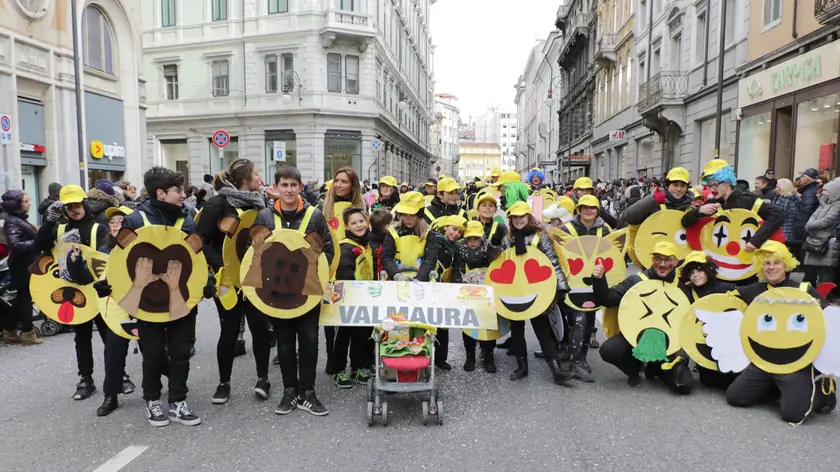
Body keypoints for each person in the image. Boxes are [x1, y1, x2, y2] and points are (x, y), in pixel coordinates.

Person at [119, 167, 206, 427]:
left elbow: (195, 256)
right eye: (178, 191)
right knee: (153, 355)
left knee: (180, 353)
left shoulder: (186, 218)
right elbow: (120, 260)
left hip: (181, 298)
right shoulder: (135, 221)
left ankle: (178, 402)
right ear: (161, 193)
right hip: (147, 303)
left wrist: (207, 281)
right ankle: (153, 401)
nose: (183, 195)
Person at [254, 165, 334, 417]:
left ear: (300, 187)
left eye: (293, 185)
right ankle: (290, 390)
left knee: (310, 340)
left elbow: (328, 252)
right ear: (276, 188)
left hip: (308, 291)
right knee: (285, 344)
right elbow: (254, 257)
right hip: (277, 294)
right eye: (283, 185)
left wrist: (316, 273)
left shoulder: (315, 216)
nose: (288, 190)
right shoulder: (264, 217)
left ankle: (307, 391)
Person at [726, 241, 836, 423]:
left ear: (786, 264)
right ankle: (777, 388)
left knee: (792, 415)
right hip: (764, 359)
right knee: (735, 397)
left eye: (776, 262)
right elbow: (727, 295)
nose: (771, 267)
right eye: (766, 263)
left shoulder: (804, 290)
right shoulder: (756, 291)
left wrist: (818, 309)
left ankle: (820, 391)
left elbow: (828, 321)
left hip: (795, 361)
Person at [195, 159, 273, 406]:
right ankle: (223, 382)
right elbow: (198, 241)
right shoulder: (218, 203)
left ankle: (263, 379)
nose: (259, 178)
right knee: (229, 331)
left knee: (260, 329)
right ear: (244, 179)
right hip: (227, 280)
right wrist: (221, 264)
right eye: (256, 174)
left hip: (255, 278)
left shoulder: (261, 204)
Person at [35, 185, 110, 400]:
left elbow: (107, 258)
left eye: (77, 204)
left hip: (97, 289)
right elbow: (39, 244)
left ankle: (118, 375)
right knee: (82, 337)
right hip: (73, 291)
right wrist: (50, 220)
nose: (74, 209)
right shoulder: (60, 229)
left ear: (84, 203)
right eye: (69, 206)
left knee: (108, 336)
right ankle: (86, 379)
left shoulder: (98, 228)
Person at [594, 241, 695, 394]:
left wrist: (681, 356)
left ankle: (655, 367)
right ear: (652, 260)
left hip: (668, 345)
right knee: (609, 350)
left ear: (675, 262)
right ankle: (635, 370)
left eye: (667, 260)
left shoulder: (681, 287)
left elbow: (689, 324)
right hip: (635, 337)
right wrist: (599, 279)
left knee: (684, 386)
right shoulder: (636, 280)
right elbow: (607, 299)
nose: (662, 264)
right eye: (658, 259)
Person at [504, 202, 574, 385]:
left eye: (522, 216)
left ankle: (556, 369)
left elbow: (553, 262)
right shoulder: (507, 238)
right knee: (517, 331)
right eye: (515, 217)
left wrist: (560, 288)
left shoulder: (540, 236)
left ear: (529, 217)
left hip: (537, 290)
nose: (519, 220)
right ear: (511, 219)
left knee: (543, 330)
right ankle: (521, 366)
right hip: (514, 290)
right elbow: (497, 261)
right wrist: (495, 243)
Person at [83, 205, 136, 417]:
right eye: (112, 222)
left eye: (120, 222)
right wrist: (76, 264)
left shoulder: (142, 247)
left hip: (143, 306)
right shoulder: (104, 252)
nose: (115, 226)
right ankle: (110, 396)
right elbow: (89, 278)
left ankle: (170, 388)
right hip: (116, 311)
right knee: (113, 352)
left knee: (155, 354)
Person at [681, 160, 784, 253]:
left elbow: (778, 215)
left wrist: (756, 240)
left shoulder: (747, 199)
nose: (712, 190)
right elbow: (685, 222)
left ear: (728, 181)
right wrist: (699, 210)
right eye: (709, 186)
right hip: (720, 261)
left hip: (746, 260)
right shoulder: (712, 203)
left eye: (715, 185)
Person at [320, 167, 366, 374]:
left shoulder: (362, 208)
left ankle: (359, 362)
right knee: (332, 318)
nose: (338, 184)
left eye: (344, 181)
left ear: (353, 185)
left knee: (356, 318)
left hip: (354, 267)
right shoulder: (323, 207)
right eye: (336, 180)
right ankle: (334, 363)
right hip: (330, 267)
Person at [328, 207, 374, 388]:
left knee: (361, 335)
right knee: (343, 336)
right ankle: (338, 369)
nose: (359, 225)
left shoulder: (368, 244)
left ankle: (358, 366)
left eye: (361, 221)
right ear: (346, 226)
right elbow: (344, 275)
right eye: (354, 223)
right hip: (349, 298)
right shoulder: (346, 247)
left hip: (366, 298)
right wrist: (351, 295)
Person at [678, 251, 736, 389]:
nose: (695, 275)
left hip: (725, 341)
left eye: (699, 270)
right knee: (708, 381)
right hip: (701, 341)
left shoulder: (724, 288)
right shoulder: (686, 291)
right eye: (691, 272)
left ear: (708, 269)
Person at [415, 215, 466, 370]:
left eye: (460, 232)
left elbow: (457, 268)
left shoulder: (455, 247)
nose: (456, 234)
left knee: (443, 324)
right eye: (454, 229)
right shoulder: (432, 240)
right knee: (423, 322)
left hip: (443, 288)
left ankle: (440, 358)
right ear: (446, 227)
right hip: (426, 285)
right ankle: (419, 356)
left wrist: (457, 285)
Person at [456, 220, 503, 373]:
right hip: (466, 295)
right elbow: (454, 270)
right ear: (465, 239)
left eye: (476, 238)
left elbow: (495, 253)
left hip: (486, 295)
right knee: (468, 326)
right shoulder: (459, 251)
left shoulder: (488, 251)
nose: (473, 241)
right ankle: (470, 357)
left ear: (481, 238)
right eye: (470, 238)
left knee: (488, 324)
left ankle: (489, 356)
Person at [1, 190, 43, 345]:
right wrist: (37, 243)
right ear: (17, 204)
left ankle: (10, 331)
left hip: (24, 263)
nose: (29, 203)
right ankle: (27, 332)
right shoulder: (13, 221)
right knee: (25, 298)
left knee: (21, 299)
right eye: (26, 201)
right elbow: (15, 244)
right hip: (22, 265)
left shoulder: (18, 219)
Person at [380, 191, 435, 282]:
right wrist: (397, 275)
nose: (407, 219)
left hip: (422, 279)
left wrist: (419, 278)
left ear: (420, 215)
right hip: (396, 278)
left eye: (412, 215)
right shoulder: (393, 232)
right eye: (404, 215)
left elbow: (430, 259)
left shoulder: (429, 233)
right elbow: (386, 257)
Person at [621, 167, 693, 226]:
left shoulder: (691, 204)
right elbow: (629, 216)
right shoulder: (655, 200)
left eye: (683, 186)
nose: (679, 189)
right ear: (667, 185)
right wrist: (652, 200)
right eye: (675, 185)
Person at [802, 179, 840, 285]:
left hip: (826, 240)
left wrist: (810, 225)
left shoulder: (837, 205)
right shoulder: (824, 203)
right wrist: (810, 224)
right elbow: (814, 215)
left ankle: (827, 292)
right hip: (816, 238)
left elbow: (828, 220)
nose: (823, 192)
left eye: (826, 191)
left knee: (826, 268)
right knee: (817, 266)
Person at [772, 178, 803, 256]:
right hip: (783, 230)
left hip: (785, 232)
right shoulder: (780, 197)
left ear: (783, 188)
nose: (775, 188)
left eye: (777, 186)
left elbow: (781, 215)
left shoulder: (788, 200)